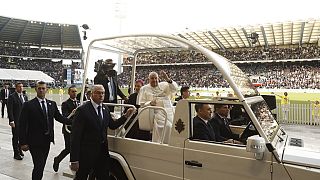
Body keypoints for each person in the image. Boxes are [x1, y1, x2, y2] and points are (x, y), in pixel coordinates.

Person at [70, 84, 134, 179]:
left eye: (103, 93)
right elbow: (75, 136)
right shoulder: (82, 110)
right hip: (86, 153)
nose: (101, 95)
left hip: (102, 152)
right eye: (98, 93)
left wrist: (125, 116)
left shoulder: (105, 109)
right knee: (81, 177)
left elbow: (112, 125)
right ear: (92, 94)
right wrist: (74, 159)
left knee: (103, 176)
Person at [19, 81, 72, 180]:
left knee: (41, 165)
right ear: (36, 89)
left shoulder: (52, 104)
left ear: (47, 89)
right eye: (39, 88)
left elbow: (59, 118)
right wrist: (22, 142)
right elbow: (22, 125)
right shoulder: (28, 105)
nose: (41, 90)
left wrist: (74, 122)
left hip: (47, 141)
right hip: (34, 141)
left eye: (43, 88)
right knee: (39, 165)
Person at [137, 71, 178, 143]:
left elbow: (174, 89)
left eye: (156, 78)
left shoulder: (164, 85)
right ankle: (163, 144)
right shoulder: (144, 89)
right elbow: (141, 104)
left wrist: (167, 79)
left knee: (176, 126)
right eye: (152, 78)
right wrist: (150, 103)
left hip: (169, 110)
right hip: (156, 111)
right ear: (149, 79)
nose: (154, 80)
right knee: (168, 126)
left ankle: (173, 143)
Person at [53, 85, 79, 172]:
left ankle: (74, 163)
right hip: (68, 129)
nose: (74, 93)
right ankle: (58, 159)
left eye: (75, 91)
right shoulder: (65, 104)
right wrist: (72, 113)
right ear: (69, 93)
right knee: (68, 148)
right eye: (73, 91)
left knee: (75, 147)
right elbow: (64, 117)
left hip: (77, 129)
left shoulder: (79, 103)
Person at [7, 82, 28, 160]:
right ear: (16, 88)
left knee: (22, 136)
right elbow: (10, 110)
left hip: (24, 121)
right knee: (16, 137)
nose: (21, 88)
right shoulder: (12, 97)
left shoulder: (25, 96)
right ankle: (16, 153)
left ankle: (20, 149)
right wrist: (11, 120)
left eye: (22, 87)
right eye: (19, 87)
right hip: (16, 121)